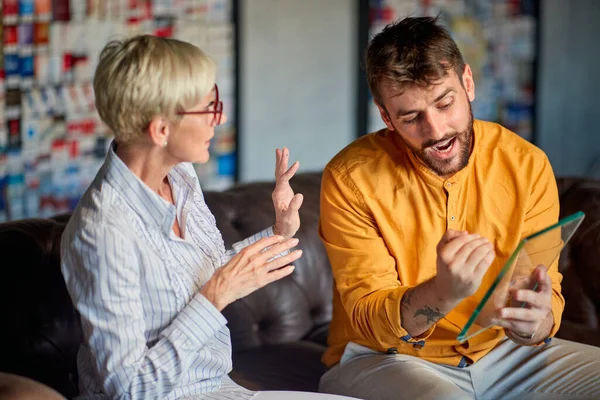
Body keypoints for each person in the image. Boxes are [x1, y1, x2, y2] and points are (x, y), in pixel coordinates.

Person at [318, 16, 600, 400]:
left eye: (444, 103)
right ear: (386, 117)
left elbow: (545, 291)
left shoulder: (527, 164)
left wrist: (535, 322)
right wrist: (441, 292)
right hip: (385, 357)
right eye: (411, 117)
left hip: (503, 352)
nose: (435, 131)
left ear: (467, 83)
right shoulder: (350, 178)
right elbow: (370, 321)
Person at [60, 35, 305, 399]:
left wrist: (278, 232)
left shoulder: (180, 176)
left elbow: (206, 273)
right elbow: (128, 389)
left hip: (220, 389)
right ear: (161, 129)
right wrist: (215, 298)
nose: (218, 119)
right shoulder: (102, 233)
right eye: (208, 108)